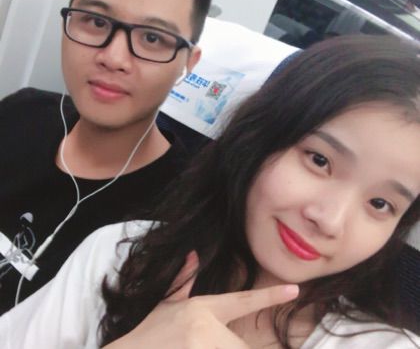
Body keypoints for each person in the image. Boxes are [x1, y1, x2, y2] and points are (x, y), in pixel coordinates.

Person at [1, 34, 420, 348]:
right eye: (319, 160)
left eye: (380, 203)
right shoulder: (119, 255)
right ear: (259, 139)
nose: (330, 220)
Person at [0, 0, 216, 314]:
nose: (114, 58)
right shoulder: (20, 113)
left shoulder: (183, 216)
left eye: (153, 38)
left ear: (188, 63)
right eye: (96, 22)